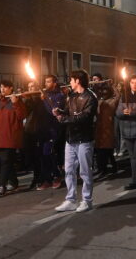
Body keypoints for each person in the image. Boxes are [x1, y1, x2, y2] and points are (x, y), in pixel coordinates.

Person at [53, 70, 98, 213]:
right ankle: (71, 199)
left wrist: (64, 119)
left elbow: (84, 118)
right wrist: (60, 112)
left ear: (78, 81)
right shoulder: (71, 96)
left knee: (85, 171)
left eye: (71, 80)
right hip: (70, 139)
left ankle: (87, 200)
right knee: (69, 170)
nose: (70, 82)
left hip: (84, 140)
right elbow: (69, 112)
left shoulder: (90, 97)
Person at [0, 80, 26, 197]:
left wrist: (16, 103)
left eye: (5, 87)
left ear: (11, 89)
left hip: (11, 137)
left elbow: (22, 116)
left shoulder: (16, 101)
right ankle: (13, 182)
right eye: (1, 87)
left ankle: (1, 185)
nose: (2, 89)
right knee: (5, 162)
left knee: (5, 161)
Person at [94, 82, 120, 178]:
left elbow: (118, 96)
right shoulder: (98, 101)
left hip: (108, 128)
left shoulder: (112, 101)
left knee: (106, 149)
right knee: (101, 149)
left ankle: (105, 168)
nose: (103, 92)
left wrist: (113, 86)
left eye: (105, 90)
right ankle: (106, 168)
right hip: (99, 128)